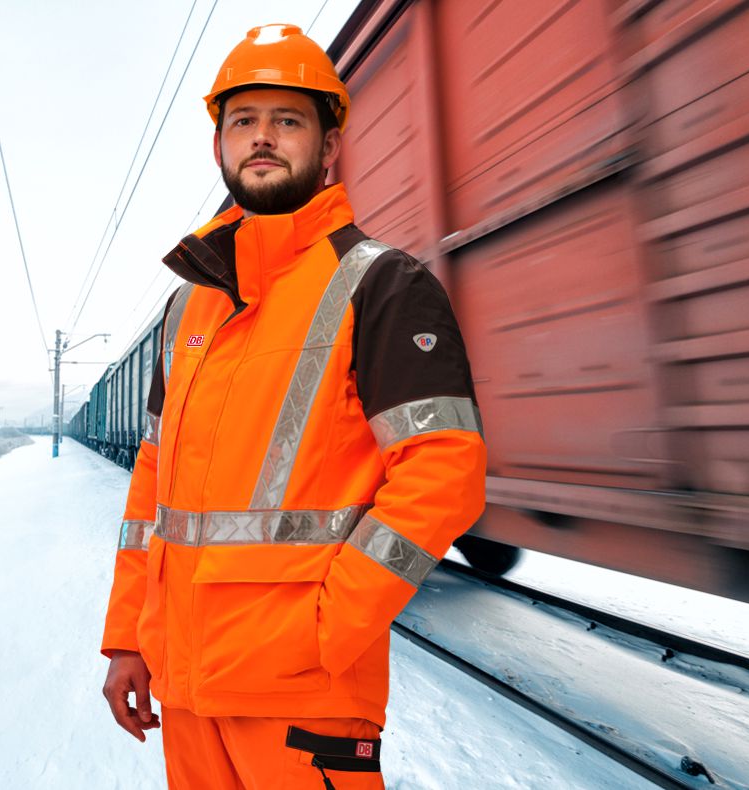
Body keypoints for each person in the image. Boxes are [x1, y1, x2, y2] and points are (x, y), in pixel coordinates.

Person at [100, 23, 487, 790]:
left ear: (329, 145)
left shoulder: (380, 285)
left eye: (288, 119)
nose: (263, 137)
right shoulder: (188, 312)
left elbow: (446, 471)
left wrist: (328, 628)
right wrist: (127, 639)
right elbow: (153, 492)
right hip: (186, 695)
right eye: (243, 120)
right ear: (219, 147)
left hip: (303, 704)